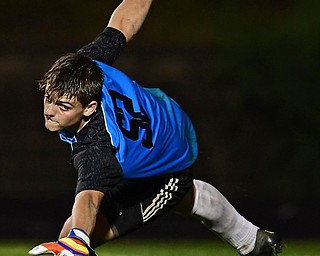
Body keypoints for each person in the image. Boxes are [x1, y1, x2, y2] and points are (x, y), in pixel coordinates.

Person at [28, 1, 284, 256]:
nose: (49, 110)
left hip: (169, 166)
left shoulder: (97, 148)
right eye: (48, 97)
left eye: (63, 106)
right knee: (72, 237)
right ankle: (254, 242)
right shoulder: (87, 66)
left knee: (72, 241)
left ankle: (250, 242)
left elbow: (89, 197)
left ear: (90, 107)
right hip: (164, 117)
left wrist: (78, 240)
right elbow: (122, 25)